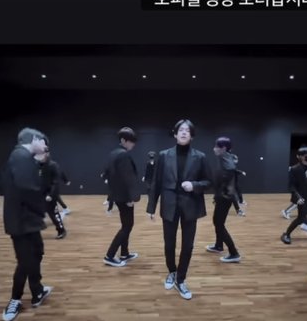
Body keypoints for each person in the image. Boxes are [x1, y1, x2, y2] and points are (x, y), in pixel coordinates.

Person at [147, 119, 211, 300]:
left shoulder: (200, 157)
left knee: (188, 245)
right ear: (175, 134)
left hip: (190, 205)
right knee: (169, 244)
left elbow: (209, 182)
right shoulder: (163, 155)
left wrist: (194, 185)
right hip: (169, 205)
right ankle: (172, 271)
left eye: (187, 130)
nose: (184, 132)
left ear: (192, 136)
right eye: (181, 130)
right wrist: (151, 207)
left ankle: (181, 279)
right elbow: (156, 182)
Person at [1, 127, 53, 321]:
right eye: (43, 142)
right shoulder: (21, 157)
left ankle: (37, 290)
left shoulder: (23, 158)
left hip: (27, 220)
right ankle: (14, 300)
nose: (45, 146)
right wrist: (41, 210)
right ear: (34, 139)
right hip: (21, 222)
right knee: (25, 261)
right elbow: (29, 189)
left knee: (37, 252)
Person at [103, 127, 140, 266]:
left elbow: (108, 174)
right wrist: (131, 198)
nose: (133, 144)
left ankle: (124, 253)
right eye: (131, 141)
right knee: (127, 226)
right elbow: (128, 178)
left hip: (118, 196)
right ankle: (109, 255)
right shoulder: (123, 155)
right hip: (124, 197)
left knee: (126, 225)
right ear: (123, 140)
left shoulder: (113, 153)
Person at [206, 136, 241, 262]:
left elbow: (225, 179)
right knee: (218, 222)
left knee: (218, 223)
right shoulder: (224, 158)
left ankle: (234, 253)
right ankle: (219, 245)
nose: (214, 149)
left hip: (225, 197)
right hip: (222, 196)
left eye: (217, 147)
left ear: (223, 148)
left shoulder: (227, 162)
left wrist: (218, 191)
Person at [280, 146, 307, 244]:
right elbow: (291, 186)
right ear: (301, 157)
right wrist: (298, 197)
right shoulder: (295, 169)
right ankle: (286, 234)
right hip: (303, 197)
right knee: (301, 218)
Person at [35, 150, 67, 239]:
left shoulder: (53, 165)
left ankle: (61, 230)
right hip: (39, 193)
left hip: (49, 194)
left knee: (53, 214)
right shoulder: (36, 165)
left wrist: (50, 195)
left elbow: (55, 182)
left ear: (47, 154)